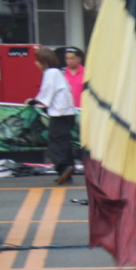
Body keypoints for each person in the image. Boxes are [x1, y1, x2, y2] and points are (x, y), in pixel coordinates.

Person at [29, 47, 77, 184]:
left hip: (59, 112)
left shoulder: (50, 73)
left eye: (38, 61)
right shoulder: (58, 72)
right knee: (64, 141)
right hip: (68, 112)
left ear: (44, 62)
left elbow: (46, 92)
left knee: (55, 141)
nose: (36, 64)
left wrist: (35, 101)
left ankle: (63, 168)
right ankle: (68, 168)